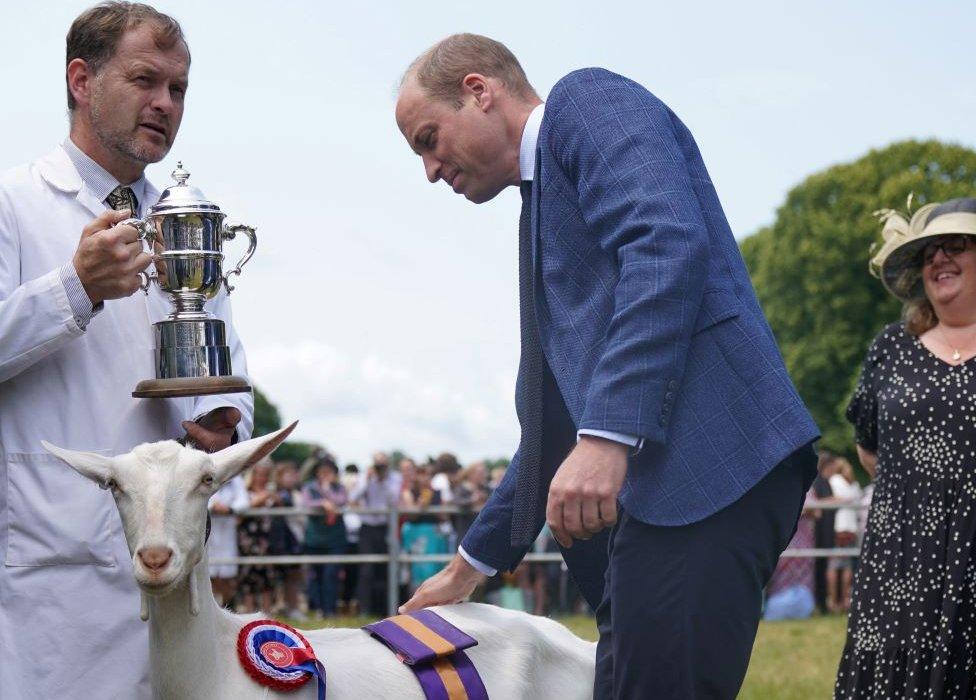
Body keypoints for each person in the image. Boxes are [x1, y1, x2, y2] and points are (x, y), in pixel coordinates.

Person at [394, 34, 820, 698]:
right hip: (662, 496)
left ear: (479, 91)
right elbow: (552, 425)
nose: (428, 168)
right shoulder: (537, 213)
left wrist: (607, 435)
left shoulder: (585, 102)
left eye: (427, 138)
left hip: (707, 472)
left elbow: (664, 242)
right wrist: (467, 568)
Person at [0, 4, 253, 697]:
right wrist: (74, 289)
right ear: (81, 80)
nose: (165, 104)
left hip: (172, 570)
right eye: (146, 80)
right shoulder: (14, 204)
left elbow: (226, 361)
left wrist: (227, 415)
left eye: (179, 89)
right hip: (52, 574)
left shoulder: (185, 217)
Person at [835, 197, 976, 697]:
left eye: (955, 245)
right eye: (929, 252)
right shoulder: (891, 348)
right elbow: (868, 448)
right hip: (900, 561)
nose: (939, 258)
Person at [349, 452, 400, 615]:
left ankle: (383, 608)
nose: (380, 468)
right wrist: (368, 480)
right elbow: (353, 497)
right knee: (366, 569)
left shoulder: (394, 478)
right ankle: (364, 608)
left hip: (385, 528)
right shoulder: (365, 478)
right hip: (367, 528)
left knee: (384, 569)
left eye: (383, 465)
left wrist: (383, 481)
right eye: (378, 465)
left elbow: (394, 499)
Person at [302, 456, 348, 616]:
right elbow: (306, 503)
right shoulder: (309, 488)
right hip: (314, 540)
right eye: (322, 472)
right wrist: (323, 503)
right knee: (315, 576)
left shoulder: (339, 488)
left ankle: (330, 609)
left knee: (331, 575)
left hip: (335, 539)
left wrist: (327, 490)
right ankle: (317, 609)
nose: (325, 475)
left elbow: (341, 501)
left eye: (329, 472)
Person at [236, 460, 281, 613]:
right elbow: (240, 514)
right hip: (248, 539)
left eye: (265, 475)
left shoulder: (273, 494)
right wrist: (260, 500)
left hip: (268, 539)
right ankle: (249, 613)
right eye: (260, 474)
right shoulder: (244, 491)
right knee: (249, 575)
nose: (262, 478)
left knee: (267, 576)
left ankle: (267, 614)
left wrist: (277, 501)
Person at [400, 462, 449, 592]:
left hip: (434, 537)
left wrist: (439, 510)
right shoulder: (408, 492)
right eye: (421, 473)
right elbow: (411, 515)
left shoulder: (437, 493)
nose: (425, 477)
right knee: (417, 571)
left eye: (428, 474)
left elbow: (445, 516)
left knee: (436, 570)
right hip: (416, 537)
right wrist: (419, 505)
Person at [207, 473, 250, 607]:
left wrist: (230, 508)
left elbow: (244, 500)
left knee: (228, 574)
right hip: (208, 530)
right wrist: (213, 505)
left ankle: (228, 607)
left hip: (228, 531)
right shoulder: (205, 473)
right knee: (210, 574)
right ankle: (211, 608)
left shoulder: (235, 477)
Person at [270, 460, 306, 620]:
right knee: (274, 576)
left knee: (293, 575)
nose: (291, 478)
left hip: (293, 538)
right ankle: (276, 606)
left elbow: (301, 517)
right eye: (287, 475)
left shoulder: (298, 495)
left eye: (293, 475)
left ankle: (293, 607)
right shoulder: (271, 493)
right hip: (276, 539)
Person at [826, 456, 861, 613]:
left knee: (833, 565)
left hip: (839, 526)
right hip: (852, 527)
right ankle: (846, 600)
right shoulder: (855, 485)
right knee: (847, 566)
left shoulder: (834, 480)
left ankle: (833, 601)